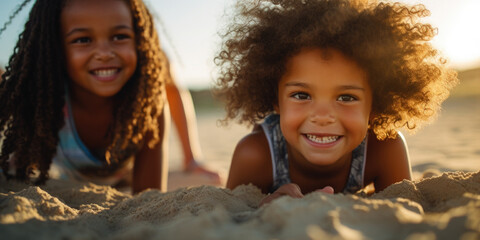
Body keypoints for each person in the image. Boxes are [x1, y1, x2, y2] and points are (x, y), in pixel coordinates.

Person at [215, 0, 458, 205]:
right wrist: (266, 207)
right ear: (275, 100)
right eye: (301, 95)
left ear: (374, 106)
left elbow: (403, 209)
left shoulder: (384, 149)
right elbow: (229, 216)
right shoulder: (255, 154)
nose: (322, 116)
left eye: (346, 97)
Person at [0, 0, 169, 194]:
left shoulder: (147, 104)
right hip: (67, 182)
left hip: (125, 181)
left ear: (139, 41)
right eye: (82, 40)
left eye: (120, 36)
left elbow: (148, 198)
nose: (104, 54)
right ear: (56, 48)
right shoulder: (38, 99)